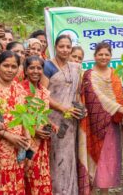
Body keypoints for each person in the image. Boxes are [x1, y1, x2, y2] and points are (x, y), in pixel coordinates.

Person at [78, 42, 123, 195]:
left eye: (107, 54)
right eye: (100, 54)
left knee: (109, 159)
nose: (104, 57)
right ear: (95, 56)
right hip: (94, 124)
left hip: (112, 124)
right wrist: (120, 109)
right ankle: (90, 190)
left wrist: (121, 112)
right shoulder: (89, 75)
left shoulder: (114, 74)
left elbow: (119, 96)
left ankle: (104, 192)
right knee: (96, 157)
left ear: (111, 56)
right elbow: (96, 97)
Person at [42, 35, 82, 194]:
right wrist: (62, 108)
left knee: (69, 157)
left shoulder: (75, 67)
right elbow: (43, 95)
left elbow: (77, 93)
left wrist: (77, 108)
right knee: (56, 157)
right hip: (53, 119)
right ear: (55, 47)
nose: (65, 50)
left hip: (71, 120)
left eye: (68, 47)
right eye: (61, 46)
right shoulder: (47, 66)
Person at [0, 51, 28, 194]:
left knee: (16, 184)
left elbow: (24, 116)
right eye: (6, 65)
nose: (10, 70)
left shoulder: (19, 88)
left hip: (18, 147)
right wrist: (8, 136)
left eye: (14, 66)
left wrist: (27, 140)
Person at [22, 56, 52, 194]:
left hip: (42, 143)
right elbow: (17, 118)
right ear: (25, 70)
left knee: (40, 178)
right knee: (26, 178)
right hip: (25, 143)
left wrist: (51, 125)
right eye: (31, 68)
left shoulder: (44, 92)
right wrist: (34, 130)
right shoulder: (19, 90)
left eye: (39, 68)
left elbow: (43, 116)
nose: (35, 71)